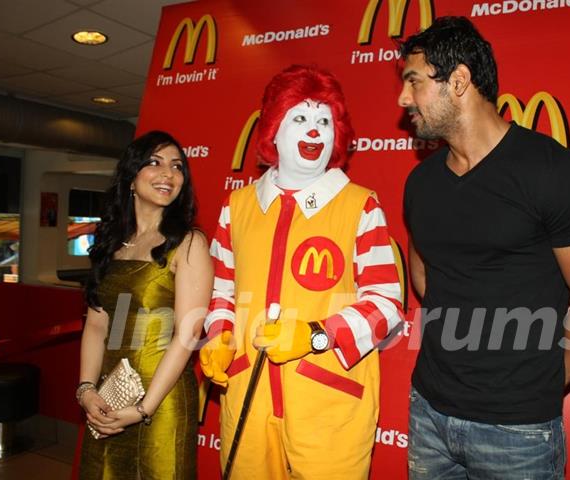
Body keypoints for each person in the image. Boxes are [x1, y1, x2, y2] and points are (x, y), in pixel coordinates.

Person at [398, 17, 570, 480]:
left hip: (516, 433)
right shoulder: (421, 183)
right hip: (428, 415)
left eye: (413, 82)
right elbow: (424, 275)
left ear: (458, 81)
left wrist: (535, 385)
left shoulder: (555, 173)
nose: (403, 99)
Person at [199, 65, 404, 479]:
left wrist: (314, 334)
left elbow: (386, 305)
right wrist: (219, 334)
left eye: (324, 120)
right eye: (300, 118)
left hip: (328, 406)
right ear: (273, 130)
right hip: (247, 399)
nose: (314, 131)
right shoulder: (235, 207)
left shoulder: (359, 205)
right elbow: (222, 290)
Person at [77, 130, 212, 479]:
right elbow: (96, 324)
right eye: (154, 162)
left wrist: (143, 408)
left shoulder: (188, 243)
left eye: (177, 166)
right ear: (131, 178)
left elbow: (189, 332)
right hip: (109, 398)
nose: (168, 173)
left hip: (161, 401)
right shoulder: (111, 244)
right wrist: (87, 390)